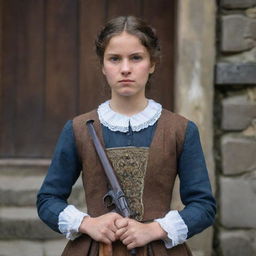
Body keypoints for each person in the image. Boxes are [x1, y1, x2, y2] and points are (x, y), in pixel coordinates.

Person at [37, 16, 216, 256]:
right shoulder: (78, 128)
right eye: (114, 59)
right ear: (102, 65)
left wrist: (155, 229)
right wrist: (89, 224)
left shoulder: (180, 129)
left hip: (158, 249)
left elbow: (203, 207)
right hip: (97, 249)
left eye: (136, 58)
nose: (125, 69)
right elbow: (48, 199)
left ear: (152, 63)